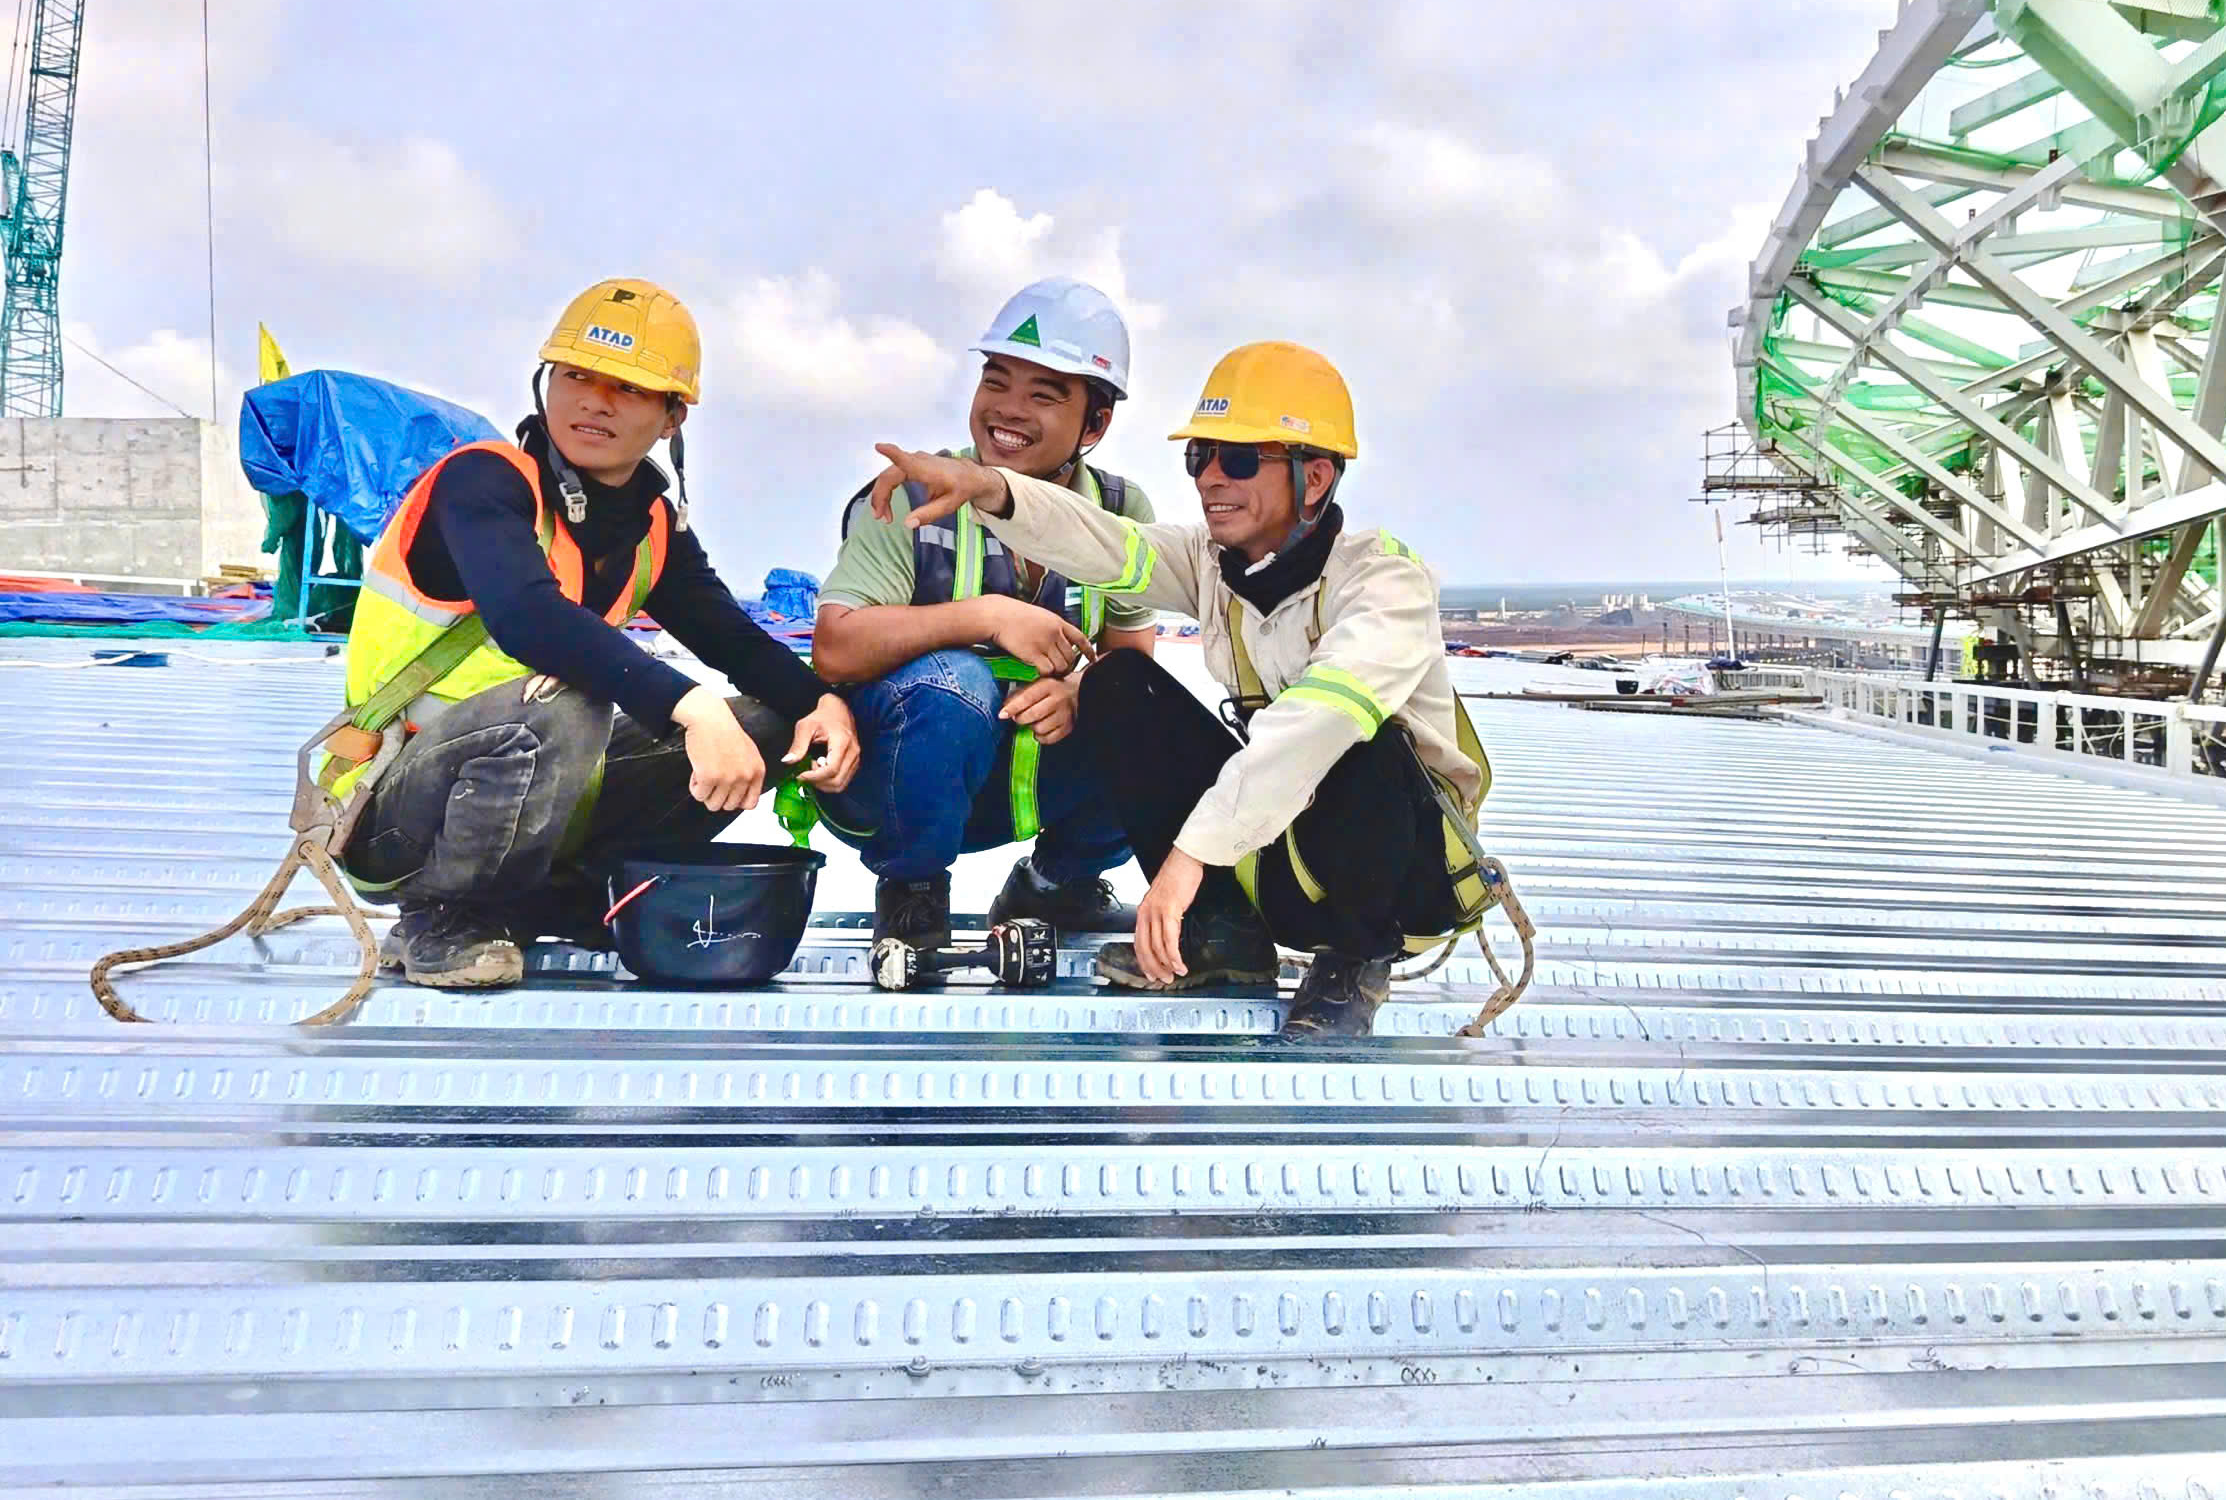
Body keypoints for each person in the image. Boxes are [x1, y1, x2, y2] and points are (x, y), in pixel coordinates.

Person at [863, 340, 1504, 1038]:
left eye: (1239, 460)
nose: (1210, 479)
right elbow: (1107, 544)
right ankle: (1223, 936)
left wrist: (1189, 855)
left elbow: (1316, 722)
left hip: (1400, 880)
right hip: (1280, 852)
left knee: (1356, 738)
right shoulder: (1213, 561)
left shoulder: (1384, 582)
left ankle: (1353, 961)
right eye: (1200, 457)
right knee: (1117, 683)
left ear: (1315, 477)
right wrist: (991, 489)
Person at [334, 278, 860, 988]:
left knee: (767, 725)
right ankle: (448, 916)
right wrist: (694, 707)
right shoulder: (483, 482)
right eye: (577, 376)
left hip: (539, 793)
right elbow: (529, 618)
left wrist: (820, 704)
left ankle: (571, 894)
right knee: (573, 702)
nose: (594, 401)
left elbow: (733, 639)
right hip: (400, 808)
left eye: (628, 389)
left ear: (672, 416)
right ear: (547, 383)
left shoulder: (651, 528)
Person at [812, 278, 1158, 955]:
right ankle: (912, 893)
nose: (1008, 409)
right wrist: (985, 616)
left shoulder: (1120, 510)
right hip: (895, 781)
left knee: (1145, 710)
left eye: (1043, 395)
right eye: (996, 381)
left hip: (1022, 780)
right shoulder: (913, 493)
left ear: (1095, 425)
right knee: (954, 682)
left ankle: (1056, 886)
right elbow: (836, 647)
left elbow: (1132, 659)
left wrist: (1079, 691)